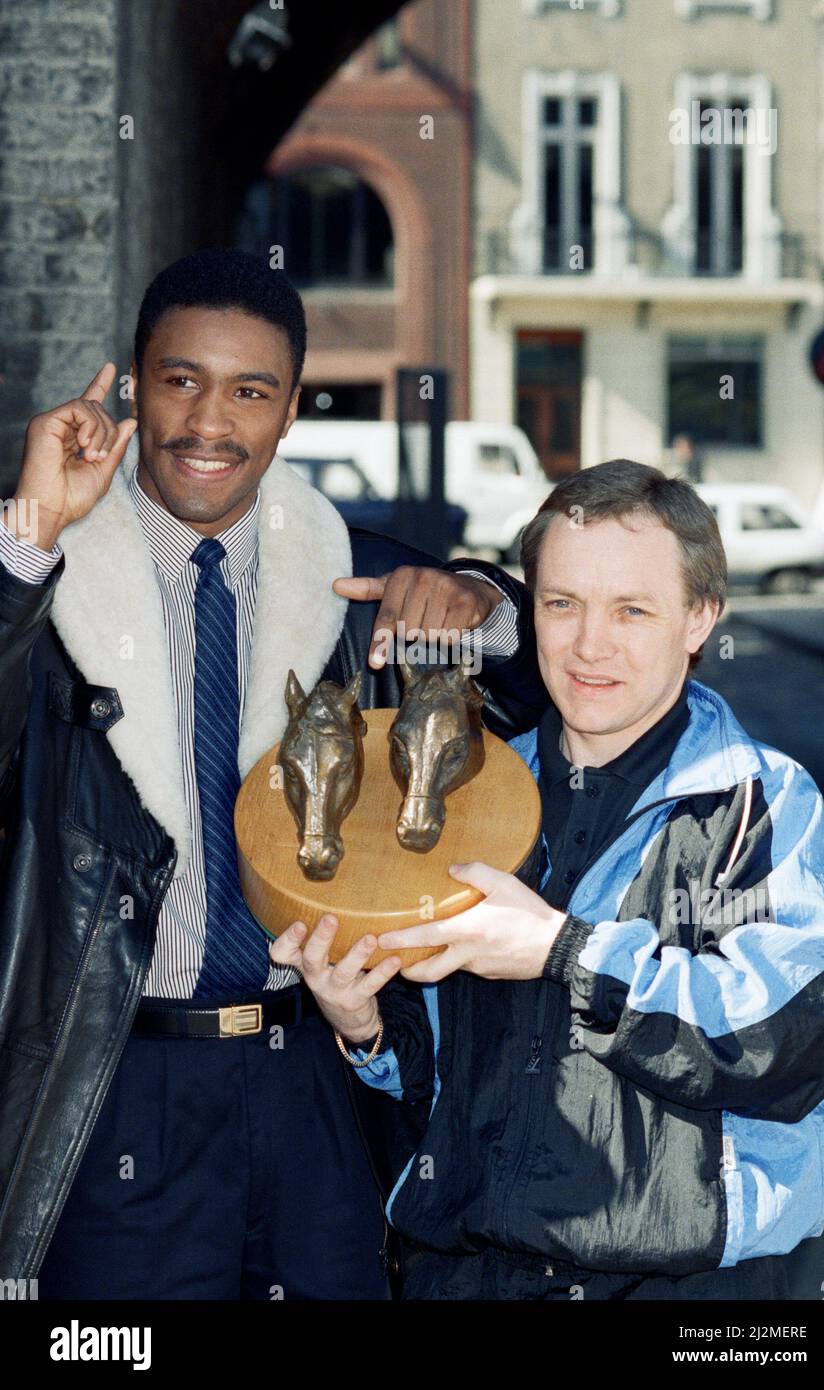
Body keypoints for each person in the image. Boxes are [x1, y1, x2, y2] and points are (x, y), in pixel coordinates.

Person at [0, 249, 548, 1299]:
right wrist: (29, 536)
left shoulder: (350, 581)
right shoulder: (46, 577)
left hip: (316, 1079)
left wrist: (481, 600)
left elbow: (532, 690)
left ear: (290, 408)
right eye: (180, 380)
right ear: (132, 380)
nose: (210, 423)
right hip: (115, 1075)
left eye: (249, 391)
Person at [275, 459, 824, 1301]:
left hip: (676, 1285)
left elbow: (781, 1039)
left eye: (632, 609)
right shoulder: (462, 795)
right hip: (462, 1277)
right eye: (562, 604)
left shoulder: (761, 803)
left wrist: (563, 952)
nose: (590, 644)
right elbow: (436, 1072)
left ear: (699, 619)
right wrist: (364, 1028)